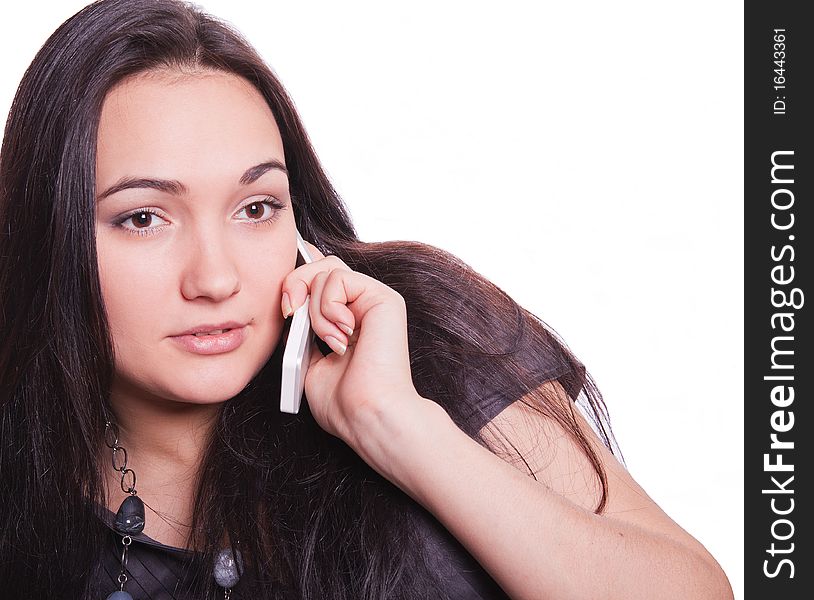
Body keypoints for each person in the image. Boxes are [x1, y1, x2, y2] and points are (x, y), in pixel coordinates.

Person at [0, 1, 734, 598]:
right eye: (143, 218)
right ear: (48, 234)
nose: (216, 280)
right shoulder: (27, 494)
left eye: (255, 208)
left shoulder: (422, 331)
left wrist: (399, 427)